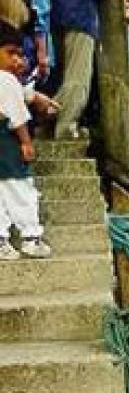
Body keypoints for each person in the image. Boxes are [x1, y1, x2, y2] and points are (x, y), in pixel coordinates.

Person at [0, 22, 51, 259]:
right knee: (21, 189)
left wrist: (33, 95)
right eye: (11, 53)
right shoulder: (7, 80)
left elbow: (23, 94)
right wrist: (26, 142)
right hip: (8, 145)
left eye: (21, 55)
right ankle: (30, 237)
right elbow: (17, 117)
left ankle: (2, 242)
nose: (19, 61)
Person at [45, 0, 108, 139]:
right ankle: (65, 126)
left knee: (61, 75)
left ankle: (46, 112)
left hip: (56, 15)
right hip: (80, 15)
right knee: (78, 75)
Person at [20, 0, 52, 81]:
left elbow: (39, 5)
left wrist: (42, 52)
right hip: (30, 44)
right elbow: (40, 5)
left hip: (28, 43)